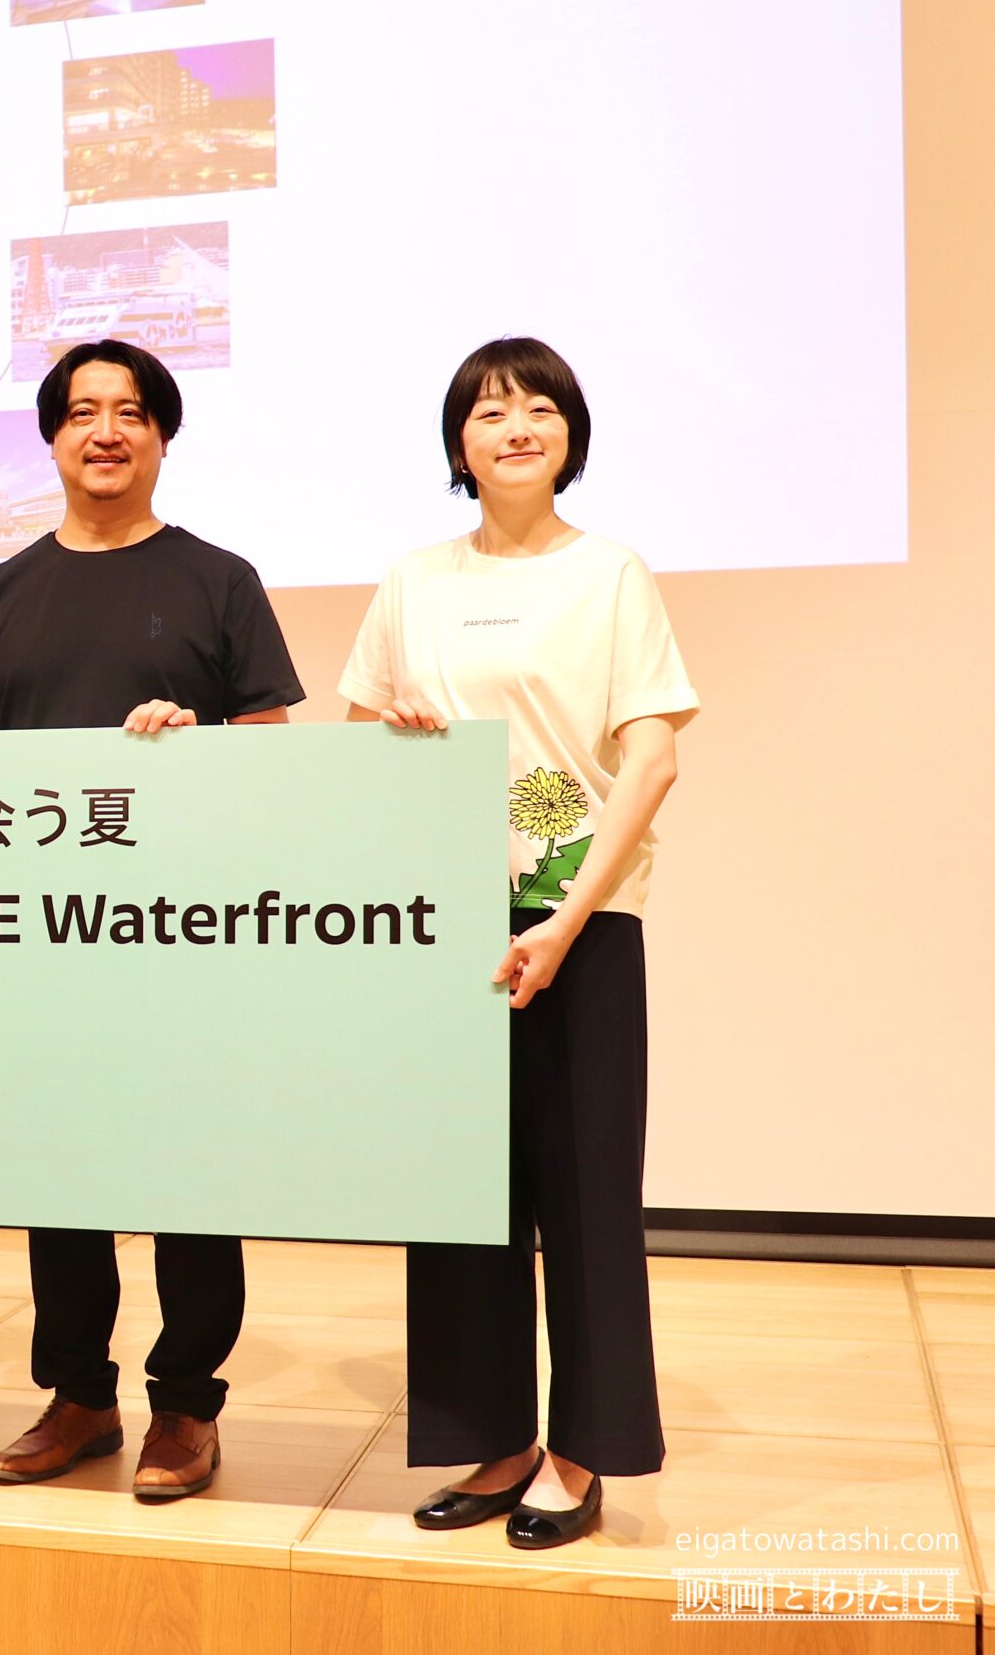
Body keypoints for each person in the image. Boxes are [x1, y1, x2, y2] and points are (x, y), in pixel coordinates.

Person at [0, 341, 303, 1499]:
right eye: (82, 411)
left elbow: (270, 752)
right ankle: (79, 1393)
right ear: (51, 437)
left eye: (129, 412)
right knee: (59, 1167)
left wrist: (196, 749)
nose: (105, 430)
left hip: (184, 937)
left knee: (191, 1171)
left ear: (160, 436)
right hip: (43, 941)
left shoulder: (218, 578)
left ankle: (185, 1403)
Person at [341, 336, 695, 1550]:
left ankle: (581, 1451)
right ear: (459, 442)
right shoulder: (414, 578)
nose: (516, 426)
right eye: (489, 411)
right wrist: (393, 726)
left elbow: (650, 756)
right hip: (445, 920)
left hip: (575, 914)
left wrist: (566, 915)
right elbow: (358, 735)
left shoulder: (609, 573)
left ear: (569, 434)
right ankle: (492, 1437)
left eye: (539, 406)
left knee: (585, 1195)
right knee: (459, 1195)